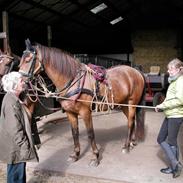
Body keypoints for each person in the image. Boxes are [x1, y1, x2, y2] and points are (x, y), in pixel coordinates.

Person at [0, 71, 39, 183]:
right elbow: (15, 129)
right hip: (16, 148)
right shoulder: (11, 103)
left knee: (18, 175)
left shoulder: (14, 98)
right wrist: (24, 145)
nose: (23, 83)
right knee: (16, 176)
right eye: (21, 81)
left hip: (16, 146)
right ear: (14, 85)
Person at [155, 58, 183, 178]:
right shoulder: (174, 81)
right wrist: (162, 105)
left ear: (179, 69)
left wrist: (163, 105)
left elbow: (179, 100)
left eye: (171, 69)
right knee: (161, 138)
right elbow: (170, 97)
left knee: (170, 142)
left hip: (176, 115)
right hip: (170, 114)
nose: (168, 71)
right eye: (168, 69)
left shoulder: (181, 81)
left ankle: (175, 166)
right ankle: (175, 165)